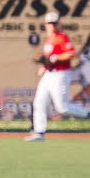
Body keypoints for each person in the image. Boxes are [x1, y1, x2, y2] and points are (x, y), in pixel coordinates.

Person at [25, 12, 90, 142]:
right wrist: (45, 65)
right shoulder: (49, 39)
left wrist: (55, 58)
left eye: (54, 23)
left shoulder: (62, 37)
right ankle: (39, 132)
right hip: (49, 74)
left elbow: (71, 53)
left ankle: (88, 113)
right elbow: (48, 58)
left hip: (60, 74)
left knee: (62, 107)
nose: (52, 26)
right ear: (45, 25)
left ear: (58, 24)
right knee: (39, 102)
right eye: (49, 23)